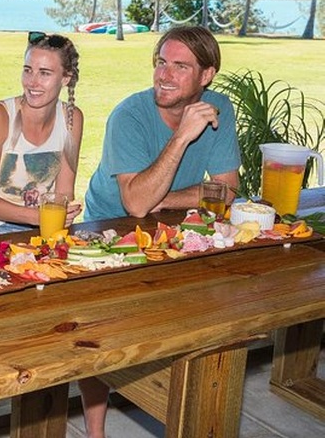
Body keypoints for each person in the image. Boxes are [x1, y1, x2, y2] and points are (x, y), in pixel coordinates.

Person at [80, 25, 240, 438]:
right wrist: (183, 137)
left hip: (168, 224)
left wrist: (165, 199)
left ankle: (187, 405)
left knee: (202, 311)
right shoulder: (129, 115)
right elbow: (134, 204)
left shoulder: (218, 108)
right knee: (103, 329)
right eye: (160, 63)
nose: (164, 75)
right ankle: (95, 431)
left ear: (206, 76)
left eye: (180, 66)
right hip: (106, 229)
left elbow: (228, 190)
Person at [0, 31, 83, 236]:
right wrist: (39, 217)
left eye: (45, 73)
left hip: (46, 229)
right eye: (28, 70)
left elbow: (64, 192)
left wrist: (64, 211)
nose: (32, 82)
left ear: (66, 78)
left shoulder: (72, 119)